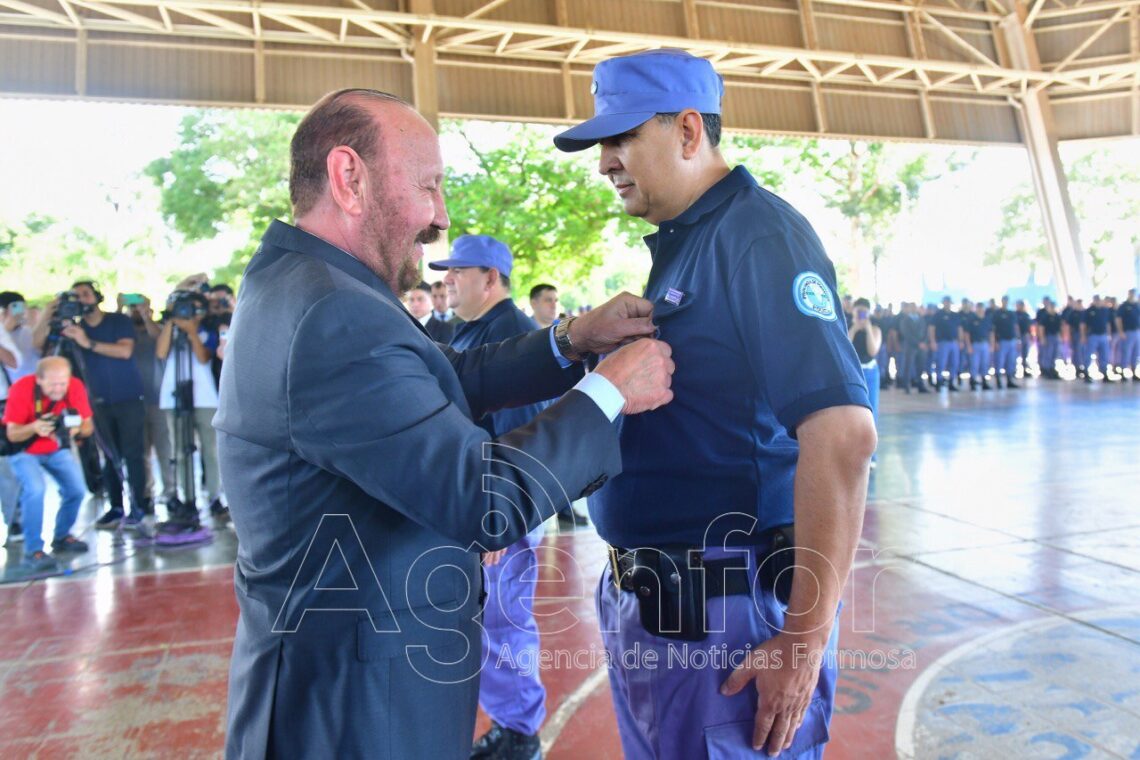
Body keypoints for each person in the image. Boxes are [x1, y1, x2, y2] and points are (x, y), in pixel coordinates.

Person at [214, 88, 675, 759]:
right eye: (429, 185)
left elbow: (441, 377)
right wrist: (608, 392)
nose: (438, 216)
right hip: (361, 711)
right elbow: (483, 500)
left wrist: (573, 339)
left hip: (349, 689)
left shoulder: (310, 285)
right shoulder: (331, 312)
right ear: (349, 177)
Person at [554, 50, 875, 760]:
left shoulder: (759, 237)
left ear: (689, 131)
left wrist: (802, 640)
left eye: (621, 138)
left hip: (725, 616)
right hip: (667, 611)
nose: (605, 161)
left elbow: (844, 434)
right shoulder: (691, 243)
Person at [430, 235, 551, 759]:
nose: (448, 280)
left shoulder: (511, 336)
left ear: (492, 279)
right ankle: (512, 725)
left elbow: (523, 439)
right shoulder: (479, 331)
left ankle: (520, 736)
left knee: (503, 627)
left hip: (503, 512)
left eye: (460, 271)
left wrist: (500, 520)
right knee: (492, 629)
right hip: (489, 508)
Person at [34, 281, 153, 528]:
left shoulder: (117, 321)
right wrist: (49, 313)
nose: (82, 299)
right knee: (109, 456)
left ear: (97, 296)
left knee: (132, 454)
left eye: (86, 294)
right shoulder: (72, 329)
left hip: (129, 398)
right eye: (76, 296)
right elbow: (40, 348)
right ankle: (116, 506)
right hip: (94, 402)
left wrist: (87, 342)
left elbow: (124, 351)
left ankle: (139, 505)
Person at [2, 357, 94, 571]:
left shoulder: (75, 387)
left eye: (63, 383)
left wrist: (74, 429)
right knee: (35, 490)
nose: (59, 389)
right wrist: (34, 427)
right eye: (53, 384)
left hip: (56, 448)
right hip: (24, 450)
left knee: (77, 490)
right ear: (39, 380)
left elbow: (88, 426)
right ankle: (33, 550)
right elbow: (12, 434)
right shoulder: (21, 389)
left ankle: (61, 536)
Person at [156, 290, 225, 529]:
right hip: (174, 397)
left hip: (205, 397)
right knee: (181, 450)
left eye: (194, 309)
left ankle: (215, 496)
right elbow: (161, 353)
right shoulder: (170, 329)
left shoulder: (207, 330)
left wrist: (191, 331)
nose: (189, 314)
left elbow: (204, 357)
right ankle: (188, 498)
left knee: (211, 449)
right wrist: (172, 323)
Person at [123, 295, 176, 511]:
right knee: (140, 451)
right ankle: (146, 493)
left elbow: (158, 338)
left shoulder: (159, 329)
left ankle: (171, 491)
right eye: (132, 308)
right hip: (132, 400)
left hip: (157, 398)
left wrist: (146, 316)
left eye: (139, 307)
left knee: (165, 448)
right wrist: (120, 309)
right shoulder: (123, 331)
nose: (135, 310)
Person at [848, 299, 880, 464]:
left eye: (864, 312)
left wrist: (867, 329)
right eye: (858, 311)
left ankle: (871, 456)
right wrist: (854, 327)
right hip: (853, 371)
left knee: (871, 410)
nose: (861, 315)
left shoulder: (875, 329)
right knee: (852, 412)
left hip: (870, 371)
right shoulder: (847, 327)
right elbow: (845, 347)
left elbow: (873, 350)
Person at [929, 296, 963, 391]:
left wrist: (960, 341)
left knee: (954, 363)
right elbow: (932, 329)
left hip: (954, 342)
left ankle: (951, 382)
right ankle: (939, 382)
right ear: (943, 303)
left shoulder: (955, 315)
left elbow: (959, 328)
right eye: (945, 302)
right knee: (941, 363)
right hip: (942, 342)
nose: (947, 303)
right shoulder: (938, 315)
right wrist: (933, 341)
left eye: (948, 302)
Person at [895, 302, 930, 394]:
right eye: (912, 307)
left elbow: (926, 332)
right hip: (910, 347)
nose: (914, 309)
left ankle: (920, 385)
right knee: (908, 366)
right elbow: (906, 334)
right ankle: (906, 386)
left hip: (921, 347)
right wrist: (918, 343)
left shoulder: (921, 319)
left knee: (920, 366)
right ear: (909, 308)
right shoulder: (904, 320)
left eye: (915, 307)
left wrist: (924, 342)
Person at [1082, 294, 1116, 382]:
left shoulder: (1105, 310)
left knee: (1104, 355)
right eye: (1095, 300)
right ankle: (1086, 372)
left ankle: (1104, 372)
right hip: (1092, 335)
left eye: (1098, 300)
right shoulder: (1089, 311)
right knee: (1088, 355)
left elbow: (1107, 323)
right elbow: (1083, 325)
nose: (1097, 301)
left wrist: (1109, 334)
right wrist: (1083, 336)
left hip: (1103, 335)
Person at [992, 295, 1020, 389]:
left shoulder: (1012, 313)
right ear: (1002, 301)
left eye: (1007, 301)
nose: (1005, 302)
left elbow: (1015, 327)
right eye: (1004, 300)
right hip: (1001, 341)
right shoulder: (997, 314)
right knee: (999, 361)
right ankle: (998, 381)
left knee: (1011, 361)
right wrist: (995, 341)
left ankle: (1009, 380)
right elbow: (993, 329)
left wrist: (1018, 339)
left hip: (1011, 340)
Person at [967, 301, 995, 391]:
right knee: (974, 364)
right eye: (978, 308)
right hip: (975, 344)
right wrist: (969, 346)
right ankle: (973, 381)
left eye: (981, 308)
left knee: (985, 364)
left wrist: (992, 344)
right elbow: (967, 334)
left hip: (985, 344)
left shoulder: (987, 319)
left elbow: (991, 333)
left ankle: (984, 382)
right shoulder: (972, 319)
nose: (980, 310)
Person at [1035, 297, 1063, 379]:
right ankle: (1046, 370)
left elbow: (1060, 328)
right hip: (1048, 336)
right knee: (1048, 354)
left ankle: (1052, 368)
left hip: (1055, 336)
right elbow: (1041, 327)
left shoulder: (1057, 316)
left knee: (1054, 353)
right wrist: (1042, 338)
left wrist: (1060, 336)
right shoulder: (1045, 316)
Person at [1118, 289, 1139, 381]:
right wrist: (1121, 331)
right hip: (1127, 332)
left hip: (1136, 331)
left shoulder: (1136, 306)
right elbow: (1119, 319)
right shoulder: (1123, 306)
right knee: (1126, 352)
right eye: (1131, 293)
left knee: (1135, 353)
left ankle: (1134, 371)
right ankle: (1123, 371)